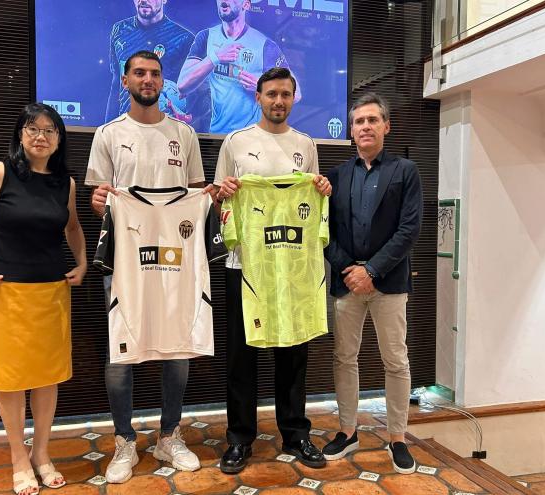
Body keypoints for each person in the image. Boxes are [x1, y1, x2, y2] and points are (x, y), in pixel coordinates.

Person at [0, 103, 87, 495]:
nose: (40, 136)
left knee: (47, 379)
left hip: (52, 292)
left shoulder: (66, 182)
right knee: (10, 380)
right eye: (32, 129)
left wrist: (80, 263)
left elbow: (74, 226)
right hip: (6, 291)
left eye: (49, 130)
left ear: (60, 138)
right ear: (20, 135)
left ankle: (42, 454)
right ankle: (17, 456)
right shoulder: (0, 172)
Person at [86, 50, 207, 483]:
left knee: (177, 347)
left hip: (175, 257)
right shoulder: (108, 134)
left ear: (163, 81)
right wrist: (99, 200)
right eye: (140, 73)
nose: (148, 79)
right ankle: (124, 441)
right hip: (126, 259)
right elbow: (98, 197)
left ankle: (169, 435)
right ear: (125, 80)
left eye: (155, 73)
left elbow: (195, 196)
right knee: (121, 350)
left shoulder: (185, 134)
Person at [213, 67, 330, 474]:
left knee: (294, 350)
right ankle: (240, 439)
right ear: (257, 97)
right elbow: (217, 198)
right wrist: (222, 192)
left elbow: (314, 196)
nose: (278, 101)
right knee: (241, 357)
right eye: (271, 94)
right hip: (244, 264)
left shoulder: (306, 144)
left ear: (293, 98)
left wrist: (322, 191)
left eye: (285, 94)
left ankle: (295, 433)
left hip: (291, 265)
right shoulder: (236, 142)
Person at [322, 93, 423, 474]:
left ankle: (397, 437)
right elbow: (324, 230)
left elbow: (409, 229)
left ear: (386, 126)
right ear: (350, 131)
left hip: (389, 283)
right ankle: (348, 431)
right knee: (343, 358)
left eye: (372, 120)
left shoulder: (405, 171)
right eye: (359, 121)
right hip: (348, 282)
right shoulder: (336, 176)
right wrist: (350, 268)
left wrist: (373, 271)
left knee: (395, 361)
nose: (365, 126)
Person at [178, 0, 300, 134]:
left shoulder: (264, 45)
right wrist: (215, 57)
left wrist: (263, 87)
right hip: (215, 137)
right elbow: (183, 85)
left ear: (246, 5)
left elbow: (297, 94)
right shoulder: (206, 37)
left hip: (251, 139)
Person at [105, 0, 195, 123]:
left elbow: (194, 94)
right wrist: (109, 124)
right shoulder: (119, 30)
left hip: (165, 128)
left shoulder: (184, 39)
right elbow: (116, 82)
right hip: (126, 127)